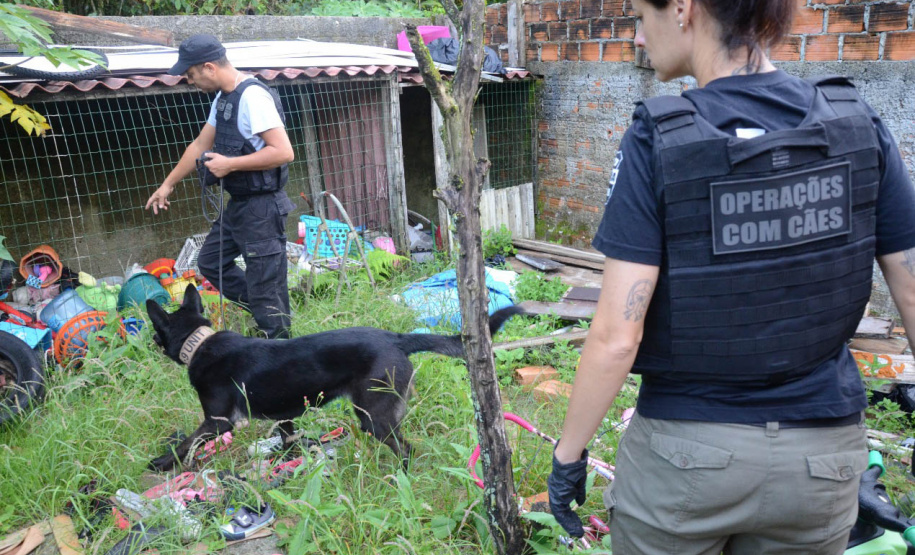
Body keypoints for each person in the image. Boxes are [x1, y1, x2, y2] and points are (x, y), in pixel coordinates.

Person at [547, 0, 915, 553]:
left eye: (642, 17)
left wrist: (568, 456)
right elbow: (911, 291)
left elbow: (617, 336)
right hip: (822, 464)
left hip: (686, 459)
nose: (639, 38)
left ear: (682, 9)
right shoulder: (857, 123)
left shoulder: (657, 140)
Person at [145, 34, 295, 339]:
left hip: (263, 206)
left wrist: (230, 164)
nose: (190, 81)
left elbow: (283, 152)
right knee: (211, 262)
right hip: (239, 204)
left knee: (265, 283)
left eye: (191, 74)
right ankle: (266, 310)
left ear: (209, 67)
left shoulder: (252, 97)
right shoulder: (224, 99)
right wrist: (167, 185)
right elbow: (200, 144)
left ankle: (277, 340)